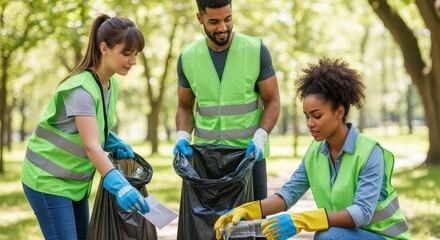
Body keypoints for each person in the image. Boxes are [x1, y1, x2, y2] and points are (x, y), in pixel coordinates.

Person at [214, 57, 410, 240]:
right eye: (307, 116)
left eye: (317, 116)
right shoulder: (315, 153)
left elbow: (362, 213)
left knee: (327, 236)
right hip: (347, 234)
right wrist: (247, 211)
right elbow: (288, 194)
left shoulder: (369, 153)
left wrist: (303, 221)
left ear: (339, 112)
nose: (309, 123)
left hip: (384, 236)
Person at [21, 14, 150, 239]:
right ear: (104, 48)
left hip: (74, 184)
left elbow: (92, 127)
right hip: (47, 180)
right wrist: (120, 186)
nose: (133, 61)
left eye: (136, 54)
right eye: (126, 53)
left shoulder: (110, 84)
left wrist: (113, 141)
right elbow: (91, 146)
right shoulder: (80, 89)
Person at [173, 0, 280, 204]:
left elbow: (273, 101)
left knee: (252, 229)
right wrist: (182, 136)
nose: (223, 28)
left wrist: (261, 137)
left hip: (250, 157)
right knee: (210, 231)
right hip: (207, 161)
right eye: (214, 22)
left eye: (228, 19)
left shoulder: (256, 50)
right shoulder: (187, 57)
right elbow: (184, 106)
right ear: (200, 18)